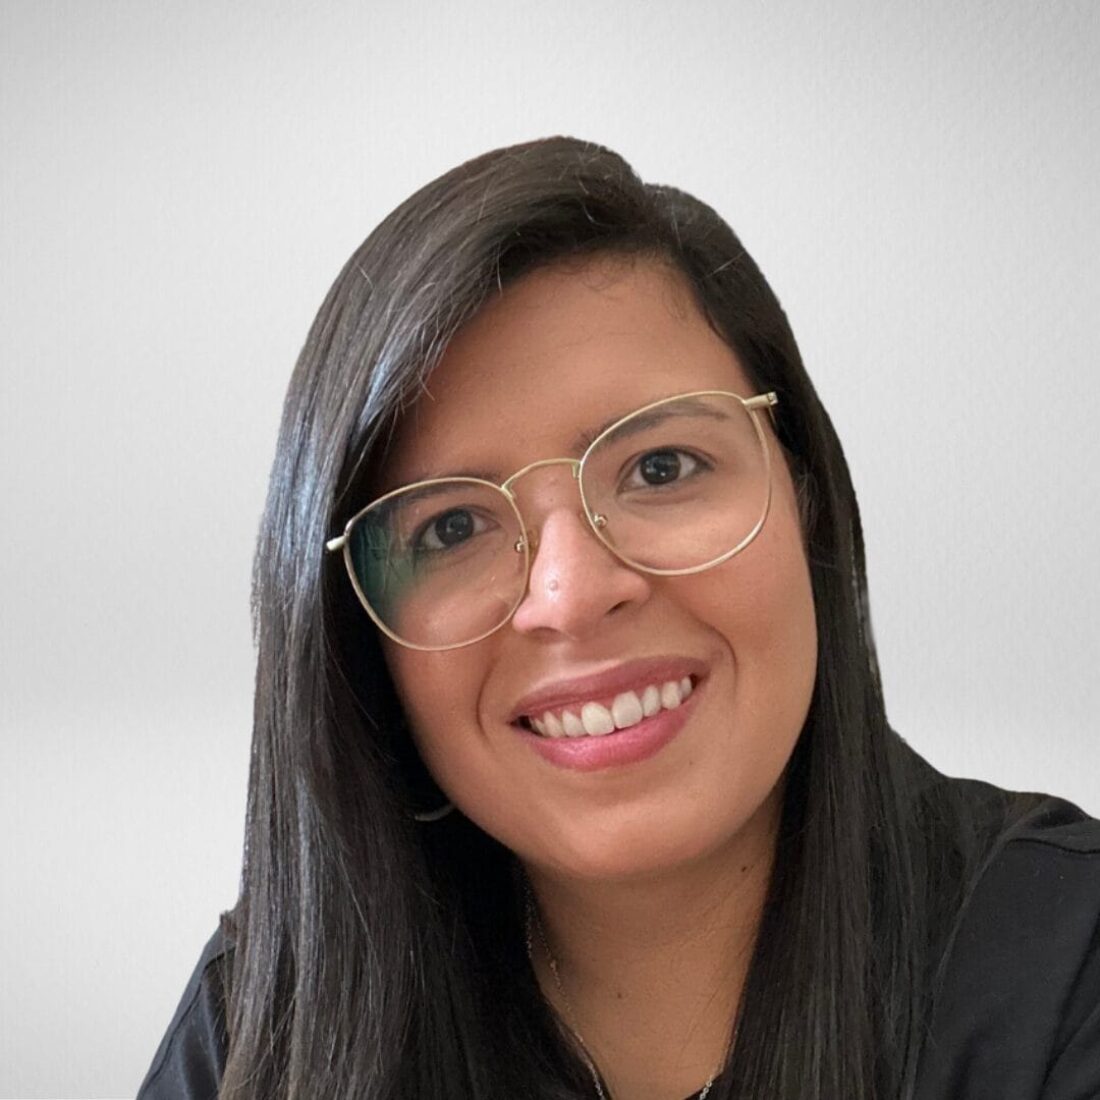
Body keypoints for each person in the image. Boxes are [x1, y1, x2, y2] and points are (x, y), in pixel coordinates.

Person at [138, 137, 1100, 1100]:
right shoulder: (264, 1029)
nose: (573, 591)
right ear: (358, 643)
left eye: (662, 467)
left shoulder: (1066, 965)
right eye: (454, 526)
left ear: (801, 491)